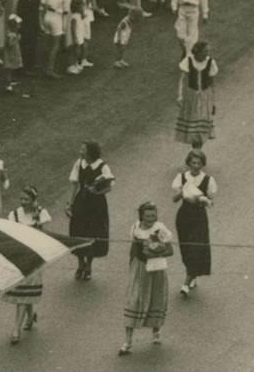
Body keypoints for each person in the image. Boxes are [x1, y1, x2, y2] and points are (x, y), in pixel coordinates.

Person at [120, 203, 175, 355]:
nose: (151, 219)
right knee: (134, 299)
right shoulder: (135, 228)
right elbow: (133, 249)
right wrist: (131, 265)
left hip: (156, 268)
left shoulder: (160, 229)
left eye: (153, 216)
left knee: (156, 298)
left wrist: (155, 252)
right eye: (147, 216)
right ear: (141, 216)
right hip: (139, 268)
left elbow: (170, 251)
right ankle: (128, 342)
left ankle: (156, 332)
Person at [7, 190, 51, 343]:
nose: (23, 202)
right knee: (25, 290)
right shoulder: (14, 215)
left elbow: (44, 236)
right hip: (19, 257)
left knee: (24, 291)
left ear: (33, 200)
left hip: (35, 257)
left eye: (26, 199)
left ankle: (16, 329)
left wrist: (37, 219)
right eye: (21, 199)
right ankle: (30, 316)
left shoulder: (42, 213)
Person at [172, 150, 216, 299]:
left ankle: (186, 282)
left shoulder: (208, 180)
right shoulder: (181, 177)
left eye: (199, 163)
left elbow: (211, 202)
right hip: (184, 217)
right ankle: (193, 274)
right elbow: (174, 199)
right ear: (188, 163)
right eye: (193, 163)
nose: (196, 166)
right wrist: (183, 190)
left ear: (203, 164)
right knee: (186, 248)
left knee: (196, 248)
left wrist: (204, 200)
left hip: (199, 218)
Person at [68, 143, 114, 281]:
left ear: (90, 152)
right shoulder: (79, 163)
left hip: (96, 204)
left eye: (83, 149)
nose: (80, 151)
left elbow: (109, 187)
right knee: (78, 231)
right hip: (81, 202)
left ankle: (88, 265)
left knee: (93, 232)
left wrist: (97, 191)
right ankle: (80, 264)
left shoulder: (102, 166)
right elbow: (75, 185)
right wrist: (70, 203)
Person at [175, 42, 218, 146]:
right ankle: (195, 143)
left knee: (202, 118)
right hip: (191, 95)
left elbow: (212, 84)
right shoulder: (188, 61)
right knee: (193, 118)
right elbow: (182, 80)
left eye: (208, 51)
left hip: (205, 95)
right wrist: (179, 96)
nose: (207, 54)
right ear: (198, 52)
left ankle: (198, 144)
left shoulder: (210, 62)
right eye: (205, 51)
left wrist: (213, 102)